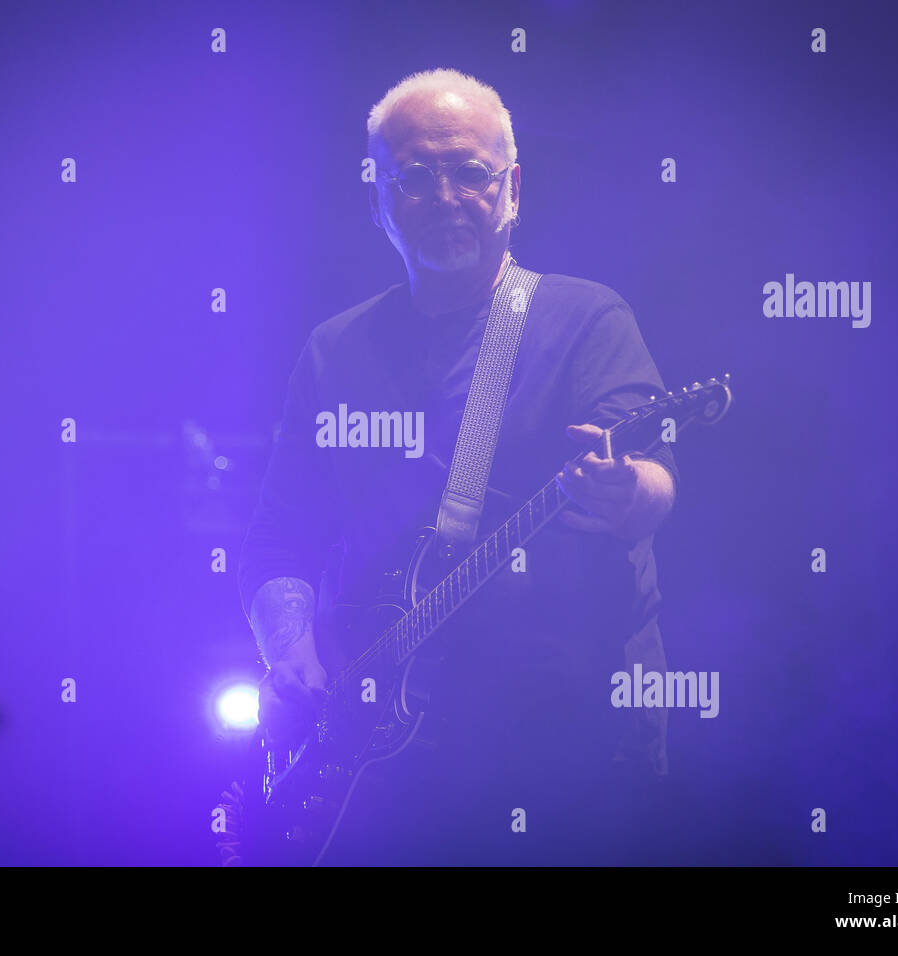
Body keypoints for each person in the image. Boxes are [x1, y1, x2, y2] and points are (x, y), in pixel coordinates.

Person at [238, 68, 681, 865]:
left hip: (562, 750)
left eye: (470, 172)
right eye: (414, 177)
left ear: (512, 187)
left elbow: (653, 484)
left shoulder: (583, 318)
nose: (445, 195)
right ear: (378, 199)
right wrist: (290, 653)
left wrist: (626, 491)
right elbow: (278, 540)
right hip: (377, 766)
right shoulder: (334, 350)